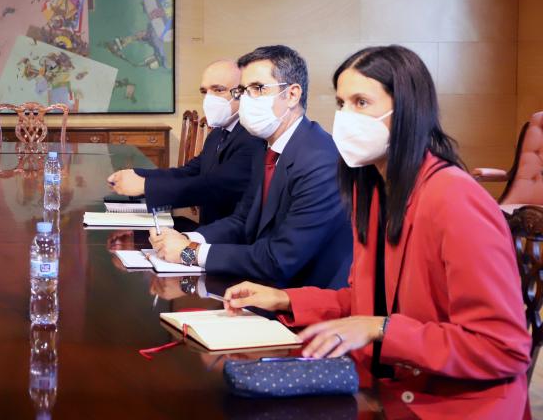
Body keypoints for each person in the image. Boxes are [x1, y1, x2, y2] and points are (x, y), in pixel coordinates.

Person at [223, 46, 530, 418]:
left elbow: (502, 348)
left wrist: (382, 328)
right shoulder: (369, 187)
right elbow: (368, 303)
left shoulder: (455, 199)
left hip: (449, 405)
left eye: (361, 102)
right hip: (382, 388)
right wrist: (285, 299)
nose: (346, 117)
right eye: (340, 103)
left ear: (406, 111)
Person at [150, 45, 351, 289]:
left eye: (257, 88)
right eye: (243, 90)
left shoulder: (319, 161)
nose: (246, 99)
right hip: (260, 285)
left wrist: (189, 253)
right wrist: (186, 239)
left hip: (299, 302)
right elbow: (242, 221)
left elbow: (280, 259)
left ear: (292, 95)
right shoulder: (266, 148)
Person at [106, 59, 264, 224]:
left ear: (242, 92)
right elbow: (189, 172)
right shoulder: (218, 132)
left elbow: (216, 186)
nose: (209, 98)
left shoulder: (253, 137)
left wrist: (146, 186)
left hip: (228, 240)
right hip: (209, 231)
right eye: (205, 91)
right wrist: (138, 174)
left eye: (218, 90)